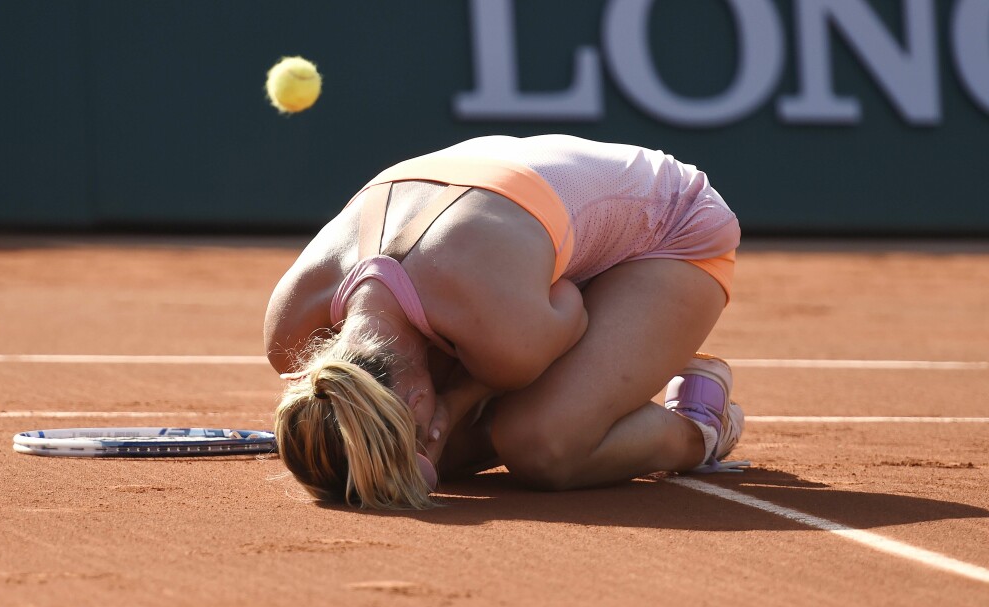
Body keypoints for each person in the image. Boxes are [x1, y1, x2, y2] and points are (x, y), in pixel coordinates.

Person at [264, 134, 746, 510]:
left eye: (417, 433)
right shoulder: (288, 334)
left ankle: (698, 428)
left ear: (415, 397)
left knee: (542, 444)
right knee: (447, 451)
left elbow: (571, 306)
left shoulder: (502, 335)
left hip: (671, 230)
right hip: (502, 233)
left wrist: (458, 402)